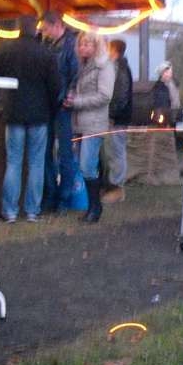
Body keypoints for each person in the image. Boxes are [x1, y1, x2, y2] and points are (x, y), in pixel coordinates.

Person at [0, 16, 60, 223]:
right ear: (36, 30)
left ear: (17, 28)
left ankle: (10, 211)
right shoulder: (46, 54)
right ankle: (32, 211)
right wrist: (51, 108)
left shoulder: (4, 50)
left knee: (13, 162)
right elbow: (55, 87)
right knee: (36, 163)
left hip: (13, 113)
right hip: (39, 115)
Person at [63, 32, 115, 223]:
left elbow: (104, 96)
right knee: (87, 167)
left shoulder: (104, 66)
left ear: (96, 46)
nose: (82, 48)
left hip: (94, 123)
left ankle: (95, 207)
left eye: (87, 44)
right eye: (81, 44)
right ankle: (93, 207)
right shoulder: (83, 67)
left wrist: (77, 101)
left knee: (87, 166)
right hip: (81, 122)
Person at [40, 10, 80, 213]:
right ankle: (52, 195)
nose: (44, 33)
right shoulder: (49, 45)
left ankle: (63, 198)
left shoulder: (71, 45)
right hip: (50, 103)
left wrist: (69, 95)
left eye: (46, 29)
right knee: (47, 152)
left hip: (62, 105)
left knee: (64, 154)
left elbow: (75, 74)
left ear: (56, 25)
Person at [101, 39, 133, 204]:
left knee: (116, 153)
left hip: (117, 118)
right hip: (117, 117)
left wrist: (112, 115)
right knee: (113, 152)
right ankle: (113, 186)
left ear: (113, 50)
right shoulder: (120, 67)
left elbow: (121, 95)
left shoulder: (119, 69)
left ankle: (117, 189)